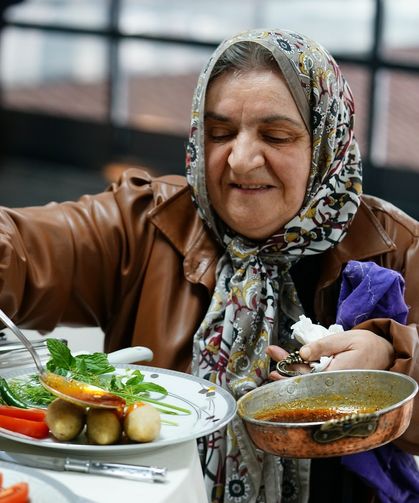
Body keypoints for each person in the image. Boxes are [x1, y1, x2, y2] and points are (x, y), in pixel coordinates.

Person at [0, 28, 418, 503]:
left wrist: (392, 361)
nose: (239, 160)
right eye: (220, 134)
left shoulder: (395, 246)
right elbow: (22, 248)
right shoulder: (145, 224)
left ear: (327, 145)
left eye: (275, 135)